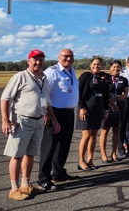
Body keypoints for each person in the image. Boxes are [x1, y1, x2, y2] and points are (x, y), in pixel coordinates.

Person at [1, 49, 60, 200]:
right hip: (22, 120)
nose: (38, 62)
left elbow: (47, 103)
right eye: (35, 59)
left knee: (31, 154)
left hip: (39, 120)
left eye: (41, 60)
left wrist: (53, 119)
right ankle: (14, 189)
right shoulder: (20, 77)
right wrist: (5, 120)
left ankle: (25, 184)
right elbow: (5, 98)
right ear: (28, 61)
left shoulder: (44, 79)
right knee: (17, 155)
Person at [38, 48, 78, 187]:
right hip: (54, 112)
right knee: (49, 146)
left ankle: (59, 173)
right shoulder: (52, 71)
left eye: (71, 56)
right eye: (65, 56)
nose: (68, 59)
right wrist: (46, 114)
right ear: (59, 57)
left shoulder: (72, 71)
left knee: (64, 145)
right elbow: (44, 93)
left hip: (68, 113)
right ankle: (43, 178)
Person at [76, 57, 110, 170]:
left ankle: (90, 160)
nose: (96, 66)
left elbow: (105, 96)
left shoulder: (103, 78)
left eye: (99, 64)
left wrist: (106, 110)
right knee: (86, 134)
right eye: (94, 64)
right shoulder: (86, 76)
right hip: (86, 110)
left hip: (98, 110)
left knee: (94, 134)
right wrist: (81, 107)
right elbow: (78, 92)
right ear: (90, 65)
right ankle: (81, 160)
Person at [99, 60, 128, 162]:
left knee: (117, 130)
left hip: (120, 106)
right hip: (107, 107)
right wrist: (111, 102)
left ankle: (114, 154)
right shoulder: (106, 78)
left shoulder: (124, 79)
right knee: (105, 130)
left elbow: (126, 93)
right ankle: (103, 155)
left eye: (118, 67)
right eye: (114, 67)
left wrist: (119, 99)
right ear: (110, 68)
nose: (116, 69)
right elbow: (102, 92)